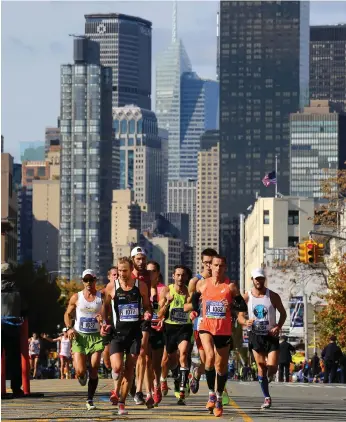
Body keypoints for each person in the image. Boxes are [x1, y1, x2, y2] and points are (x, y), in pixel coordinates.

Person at [188, 255, 247, 417]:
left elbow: (243, 306)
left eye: (221, 266)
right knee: (209, 356)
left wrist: (232, 305)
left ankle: (219, 397)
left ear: (225, 268)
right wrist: (195, 309)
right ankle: (211, 394)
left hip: (223, 329)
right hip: (206, 327)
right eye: (215, 265)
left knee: (221, 366)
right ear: (211, 267)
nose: (218, 268)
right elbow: (194, 298)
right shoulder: (203, 284)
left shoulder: (230, 287)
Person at [101, 256, 152, 415]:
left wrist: (148, 314)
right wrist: (104, 322)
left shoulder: (141, 286)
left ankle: (122, 402)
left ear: (131, 271)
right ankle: (116, 386)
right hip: (117, 334)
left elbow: (147, 306)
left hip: (134, 335)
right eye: (119, 270)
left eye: (125, 270)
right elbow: (105, 307)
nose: (122, 273)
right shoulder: (111, 287)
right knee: (117, 367)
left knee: (130, 369)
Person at [238, 268, 287, 410]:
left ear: (264, 280)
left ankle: (267, 377)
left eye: (261, 278)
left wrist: (278, 325)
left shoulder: (272, 296)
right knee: (261, 366)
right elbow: (240, 316)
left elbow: (283, 313)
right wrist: (244, 322)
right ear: (252, 280)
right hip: (255, 335)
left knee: (272, 368)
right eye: (256, 278)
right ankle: (266, 397)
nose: (259, 281)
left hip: (271, 335)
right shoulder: (246, 297)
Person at [64, 269, 104, 410]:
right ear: (83, 281)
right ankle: (81, 375)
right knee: (80, 371)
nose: (88, 283)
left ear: (95, 280)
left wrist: (103, 320)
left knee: (94, 368)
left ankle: (90, 399)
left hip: (96, 337)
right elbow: (67, 314)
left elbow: (108, 315)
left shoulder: (101, 297)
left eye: (91, 280)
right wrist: (69, 328)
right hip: (79, 336)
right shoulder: (76, 297)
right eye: (86, 280)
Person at [158, 265, 192, 405]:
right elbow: (160, 314)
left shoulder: (190, 292)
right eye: (178, 275)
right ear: (173, 276)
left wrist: (192, 308)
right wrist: (167, 302)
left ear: (186, 277)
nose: (180, 278)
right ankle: (164, 379)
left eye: (183, 275)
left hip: (184, 327)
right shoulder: (167, 290)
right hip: (169, 328)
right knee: (167, 360)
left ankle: (182, 389)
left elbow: (193, 307)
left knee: (183, 354)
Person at [187, 248, 218, 394]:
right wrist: (193, 310)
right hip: (201, 324)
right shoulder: (196, 281)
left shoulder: (222, 281)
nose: (208, 266)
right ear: (202, 263)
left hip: (219, 325)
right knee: (207, 360)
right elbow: (187, 305)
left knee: (217, 360)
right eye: (205, 263)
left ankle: (217, 393)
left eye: (211, 262)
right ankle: (197, 373)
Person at [130, 246, 152, 406]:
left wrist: (148, 311)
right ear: (132, 260)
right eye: (138, 258)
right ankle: (129, 383)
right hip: (127, 319)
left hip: (143, 318)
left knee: (142, 352)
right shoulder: (126, 275)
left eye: (143, 258)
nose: (141, 261)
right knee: (130, 356)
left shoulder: (148, 276)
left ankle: (139, 391)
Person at [1, 263, 25, 398]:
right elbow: (25, 309)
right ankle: (16, 388)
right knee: (14, 358)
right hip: (12, 326)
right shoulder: (17, 290)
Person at [146, 261, 165, 406]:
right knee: (147, 361)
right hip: (145, 328)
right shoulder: (141, 288)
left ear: (158, 273)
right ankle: (149, 392)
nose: (150, 274)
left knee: (156, 363)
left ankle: (157, 384)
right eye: (148, 271)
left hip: (158, 329)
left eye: (152, 271)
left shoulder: (163, 289)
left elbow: (165, 309)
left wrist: (163, 318)